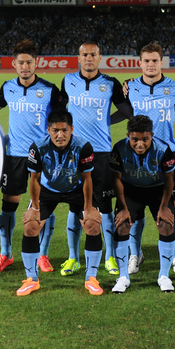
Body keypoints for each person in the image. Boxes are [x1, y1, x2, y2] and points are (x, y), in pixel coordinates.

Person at [0, 39, 66, 274]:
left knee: (44, 206)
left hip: (43, 156)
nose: (25, 67)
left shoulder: (49, 90)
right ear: (14, 64)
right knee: (9, 206)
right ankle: (5, 254)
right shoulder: (8, 88)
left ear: (37, 63)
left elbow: (61, 118)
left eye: (29, 62)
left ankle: (43, 255)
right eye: (21, 62)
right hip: (14, 155)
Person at [58, 42, 133, 278]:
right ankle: (73, 257)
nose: (89, 58)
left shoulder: (110, 83)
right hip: (73, 152)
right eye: (84, 54)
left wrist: (107, 121)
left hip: (101, 153)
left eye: (93, 54)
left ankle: (110, 257)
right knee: (75, 207)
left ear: (100, 58)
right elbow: (58, 111)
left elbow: (128, 111)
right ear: (78, 58)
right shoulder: (68, 81)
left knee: (105, 206)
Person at [16, 109, 103, 296]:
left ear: (72, 129)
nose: (60, 135)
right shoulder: (37, 147)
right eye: (55, 130)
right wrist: (35, 207)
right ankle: (32, 279)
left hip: (76, 190)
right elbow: (34, 179)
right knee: (30, 226)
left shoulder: (84, 146)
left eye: (64, 130)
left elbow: (87, 178)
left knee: (93, 225)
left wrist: (89, 208)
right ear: (48, 130)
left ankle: (91, 278)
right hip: (48, 191)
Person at [124, 42, 175, 275]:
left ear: (161, 62)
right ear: (140, 63)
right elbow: (123, 111)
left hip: (167, 155)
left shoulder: (174, 86)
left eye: (154, 60)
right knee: (135, 207)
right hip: (137, 157)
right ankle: (135, 253)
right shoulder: (130, 87)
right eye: (146, 61)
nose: (150, 64)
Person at [110, 115, 175, 293]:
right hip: (131, 190)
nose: (140, 144)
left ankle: (164, 276)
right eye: (135, 139)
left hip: (157, 190)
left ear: (152, 135)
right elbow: (116, 179)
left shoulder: (163, 149)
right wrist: (123, 208)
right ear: (128, 136)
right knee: (122, 226)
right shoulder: (119, 148)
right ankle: (123, 277)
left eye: (145, 139)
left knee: (166, 225)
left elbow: (170, 179)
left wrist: (164, 207)